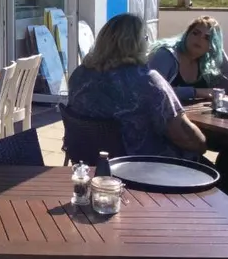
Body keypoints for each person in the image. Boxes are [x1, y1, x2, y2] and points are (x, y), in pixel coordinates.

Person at [68, 13, 206, 159]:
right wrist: (203, 143)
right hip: (141, 166)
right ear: (137, 44)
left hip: (88, 161)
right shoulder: (147, 80)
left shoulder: (79, 75)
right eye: (145, 38)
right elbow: (185, 136)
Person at [147, 16, 228, 102]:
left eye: (207, 38)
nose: (199, 39)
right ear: (187, 34)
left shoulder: (211, 57)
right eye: (195, 33)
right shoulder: (165, 55)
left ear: (212, 46)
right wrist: (196, 92)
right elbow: (153, 90)